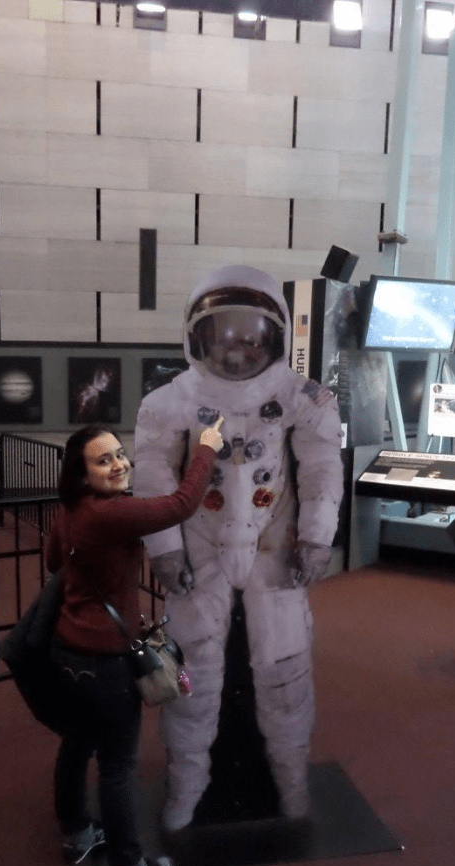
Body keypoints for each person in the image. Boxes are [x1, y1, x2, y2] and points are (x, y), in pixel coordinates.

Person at [133, 264, 344, 832]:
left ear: (275, 338)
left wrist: (315, 537)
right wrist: (165, 550)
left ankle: (291, 781)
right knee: (192, 668)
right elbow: (152, 474)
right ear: (197, 336)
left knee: (285, 666)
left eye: (250, 337)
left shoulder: (304, 398)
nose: (236, 349)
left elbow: (323, 468)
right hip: (199, 540)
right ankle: (186, 785)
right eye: (222, 335)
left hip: (274, 542)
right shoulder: (169, 401)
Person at [45, 419, 224, 866]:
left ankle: (78, 833)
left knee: (77, 744)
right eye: (103, 460)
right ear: (83, 476)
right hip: (105, 661)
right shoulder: (109, 513)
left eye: (119, 454)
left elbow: (53, 561)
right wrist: (206, 449)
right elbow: (181, 505)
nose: (119, 463)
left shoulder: (70, 509)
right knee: (119, 765)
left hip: (68, 652)